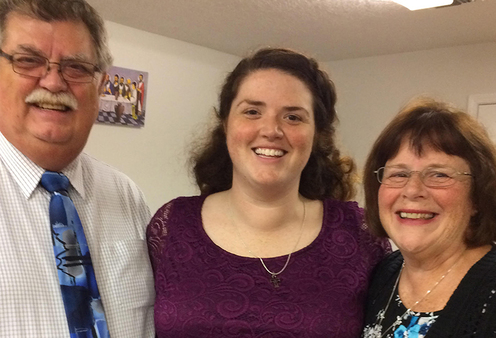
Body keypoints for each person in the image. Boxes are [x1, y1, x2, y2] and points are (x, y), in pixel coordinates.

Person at [147, 48, 390, 337]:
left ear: (317, 134)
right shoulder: (172, 225)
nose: (271, 129)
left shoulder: (359, 234)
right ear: (225, 124)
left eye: (293, 117)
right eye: (252, 112)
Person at [0, 0, 154, 337]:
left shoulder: (127, 196)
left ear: (100, 87)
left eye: (77, 68)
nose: (54, 82)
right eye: (28, 61)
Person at [361, 98, 496, 338]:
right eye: (399, 173)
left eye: (439, 174)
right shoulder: (382, 274)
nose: (412, 190)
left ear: (477, 195)